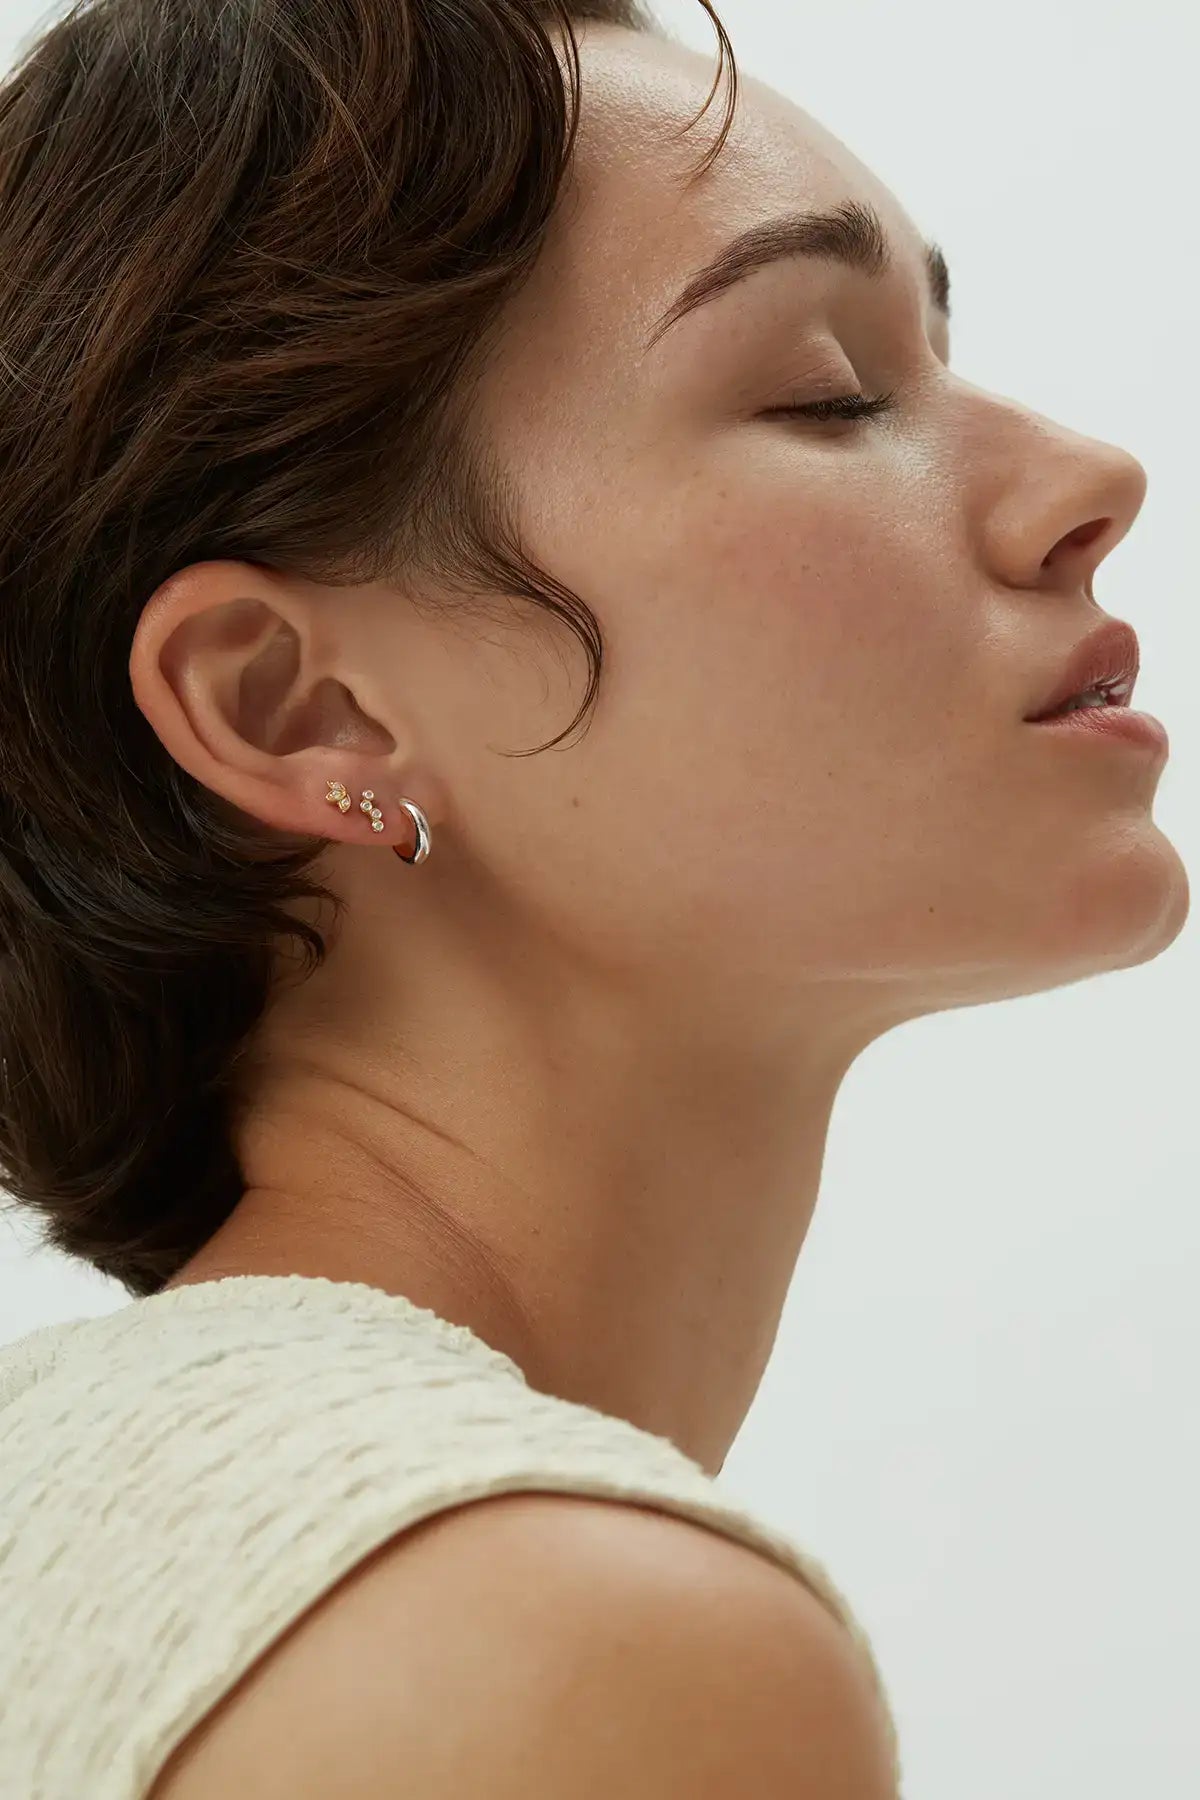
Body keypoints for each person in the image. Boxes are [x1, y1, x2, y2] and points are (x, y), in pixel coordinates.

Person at [0, 0, 1188, 1795]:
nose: (1091, 481)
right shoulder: (557, 1643)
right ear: (297, 706)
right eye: (827, 392)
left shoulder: (99, 1527)